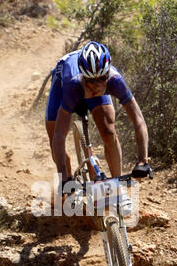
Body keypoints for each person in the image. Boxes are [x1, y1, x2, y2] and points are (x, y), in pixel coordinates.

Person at [45, 41, 151, 196]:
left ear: (108, 73)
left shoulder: (116, 81)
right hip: (64, 81)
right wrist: (63, 177)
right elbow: (59, 135)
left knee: (108, 131)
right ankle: (69, 190)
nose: (97, 86)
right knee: (54, 134)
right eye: (91, 81)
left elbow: (138, 120)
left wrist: (143, 161)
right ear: (83, 76)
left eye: (102, 78)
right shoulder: (72, 85)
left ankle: (117, 189)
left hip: (83, 85)